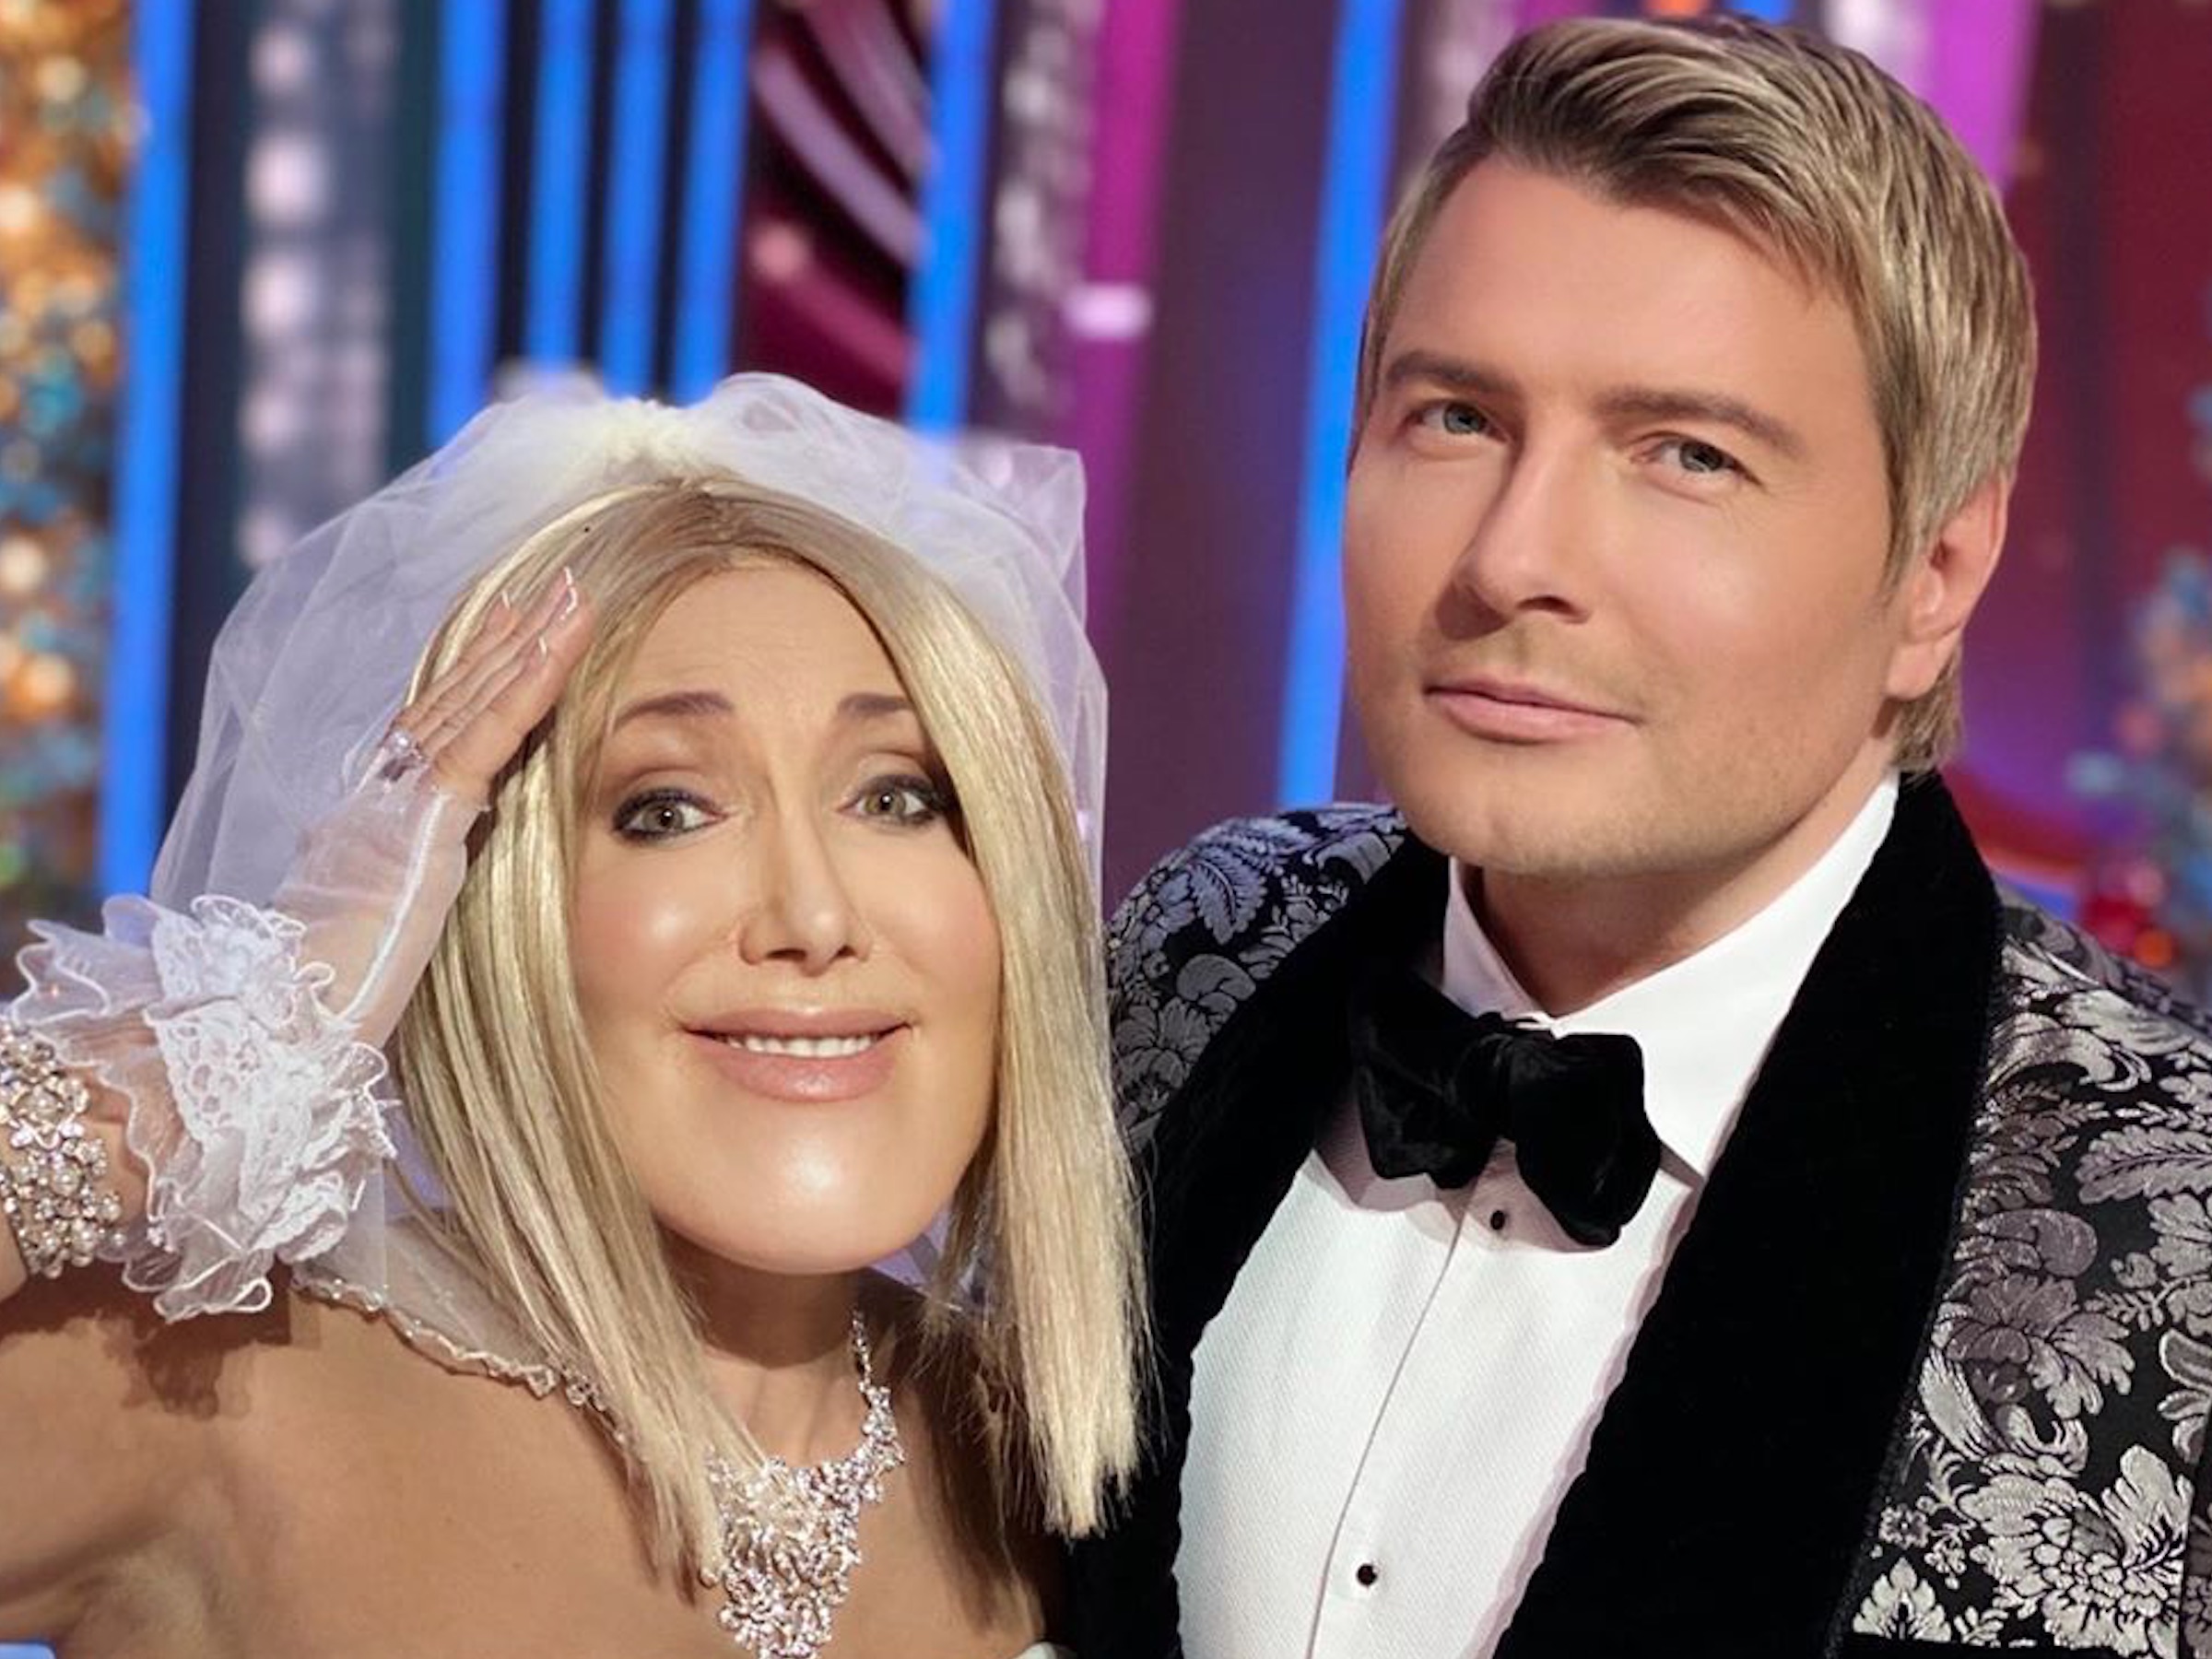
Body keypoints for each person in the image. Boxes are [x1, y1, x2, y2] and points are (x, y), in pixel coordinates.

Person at [1070, 16, 2212, 1658]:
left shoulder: (2176, 1214)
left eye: (1687, 455)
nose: (1512, 560)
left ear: (1935, 579)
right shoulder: (1197, 948)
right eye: (1458, 418)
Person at [0, 375, 1143, 1658]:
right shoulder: (213, 1401)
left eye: (896, 798)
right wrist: (217, 1061)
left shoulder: (1045, 1465)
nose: (815, 916)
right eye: (667, 810)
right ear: (489, 900)